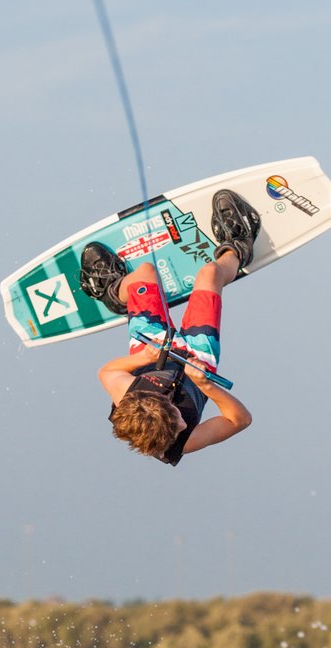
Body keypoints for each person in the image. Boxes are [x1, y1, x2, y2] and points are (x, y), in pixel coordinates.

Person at [78, 190, 261, 466]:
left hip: (153, 349)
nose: (184, 425)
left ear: (159, 400)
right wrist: (205, 385)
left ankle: (115, 292)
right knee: (210, 274)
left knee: (145, 275)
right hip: (199, 358)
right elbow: (239, 420)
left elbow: (107, 371)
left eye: (177, 420)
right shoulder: (183, 443)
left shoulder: (129, 395)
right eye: (180, 423)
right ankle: (238, 246)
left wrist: (143, 359)